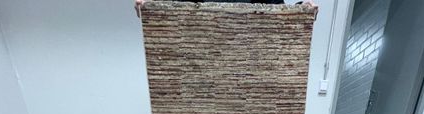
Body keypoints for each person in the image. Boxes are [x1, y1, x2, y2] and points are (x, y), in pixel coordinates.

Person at [135, 0, 316, 18]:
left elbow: (278, 10)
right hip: (202, 65)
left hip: (251, 66)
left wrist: (302, 9)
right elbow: (176, 6)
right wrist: (150, 6)